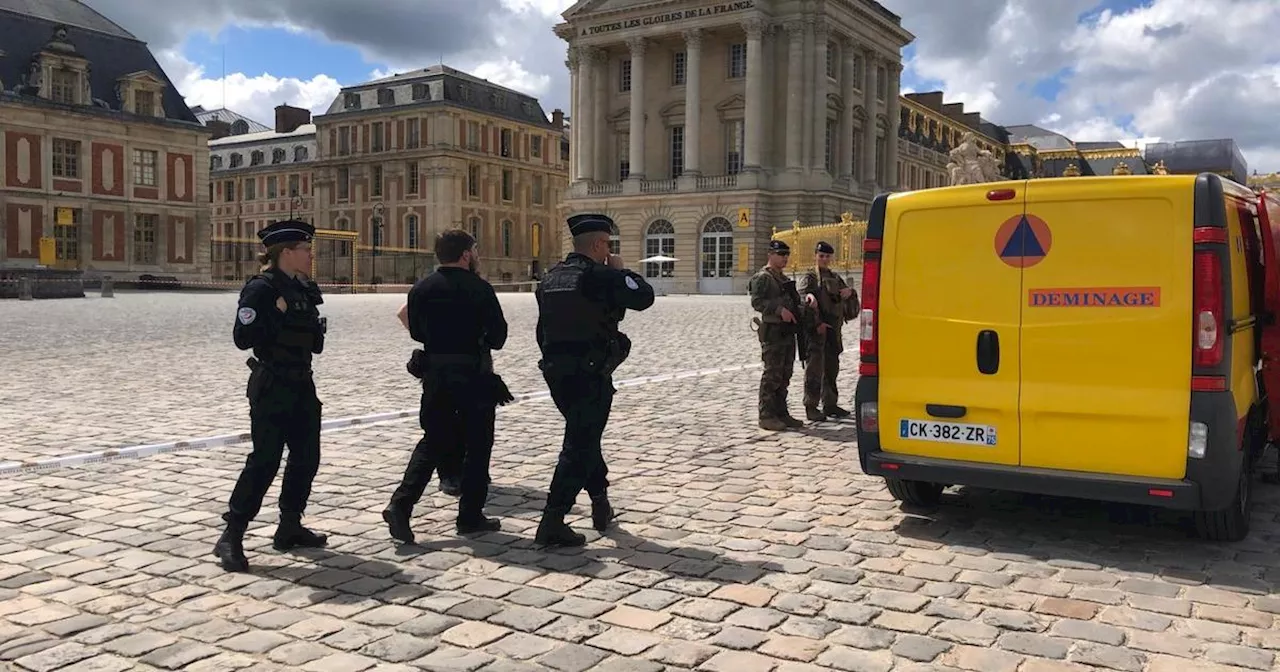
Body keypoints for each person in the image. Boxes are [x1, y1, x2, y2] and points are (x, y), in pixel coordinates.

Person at [533, 213, 655, 547]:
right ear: (600, 244)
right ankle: (552, 520)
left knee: (585, 437)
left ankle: (600, 503)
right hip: (589, 372)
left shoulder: (552, 277)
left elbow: (542, 329)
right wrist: (621, 270)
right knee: (578, 445)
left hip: (556, 373)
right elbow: (644, 296)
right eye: (608, 245)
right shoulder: (601, 276)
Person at [214, 219, 329, 573]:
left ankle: (289, 525)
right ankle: (231, 536)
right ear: (286, 252)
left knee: (306, 458)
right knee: (264, 461)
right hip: (272, 384)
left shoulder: (304, 288)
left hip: (302, 383)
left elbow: (314, 341)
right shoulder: (261, 289)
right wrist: (276, 316)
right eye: (305, 250)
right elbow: (242, 337)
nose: (310, 256)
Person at [383, 229, 510, 544]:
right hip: (473, 375)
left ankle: (401, 504)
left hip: (436, 375)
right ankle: (470, 516)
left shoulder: (421, 288)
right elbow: (498, 337)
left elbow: (416, 332)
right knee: (478, 446)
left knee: (433, 442)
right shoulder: (480, 289)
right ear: (466, 254)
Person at [397, 302, 464, 497]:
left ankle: (462, 472)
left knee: (453, 423)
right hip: (457, 364)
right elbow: (403, 312)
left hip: (442, 364)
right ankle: (450, 474)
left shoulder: (431, 286)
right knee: (446, 425)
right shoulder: (456, 286)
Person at [749, 239, 808, 431]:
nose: (784, 258)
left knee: (785, 374)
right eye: (781, 254)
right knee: (772, 374)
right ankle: (766, 415)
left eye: (786, 255)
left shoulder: (783, 278)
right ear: (770, 254)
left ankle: (781, 412)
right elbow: (757, 302)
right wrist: (778, 309)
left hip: (787, 332)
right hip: (773, 332)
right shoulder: (763, 277)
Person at [799, 241, 859, 421]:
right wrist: (817, 323)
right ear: (815, 256)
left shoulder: (834, 277)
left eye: (827, 256)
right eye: (821, 256)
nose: (824, 259)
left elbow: (845, 297)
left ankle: (830, 404)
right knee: (814, 370)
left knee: (832, 368)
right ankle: (811, 405)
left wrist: (850, 293)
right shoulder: (810, 278)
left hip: (833, 330)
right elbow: (803, 301)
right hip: (817, 331)